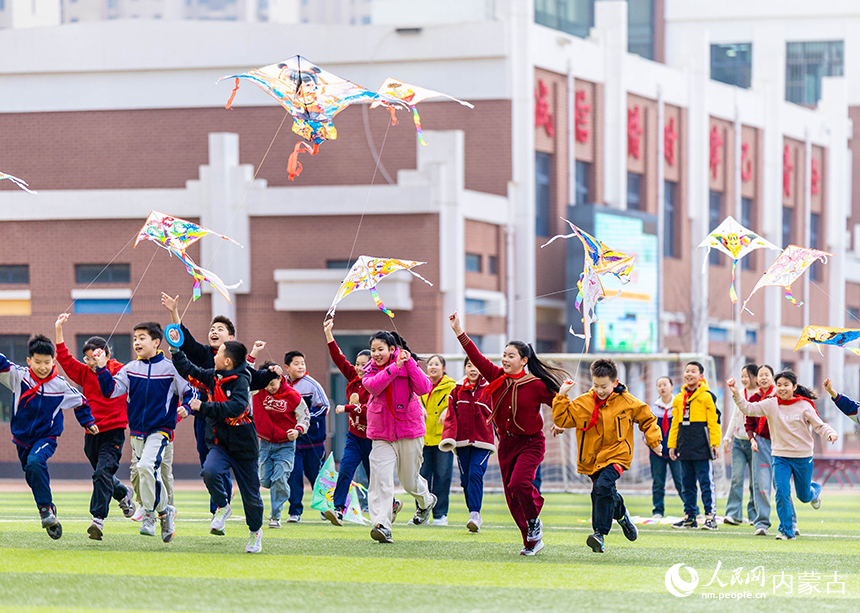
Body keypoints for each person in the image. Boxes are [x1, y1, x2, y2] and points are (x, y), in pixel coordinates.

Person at [448, 311, 566, 556]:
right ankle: (531, 541)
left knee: (519, 483)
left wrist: (560, 421)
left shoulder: (536, 384)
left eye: (511, 356)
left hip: (531, 443)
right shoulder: (495, 376)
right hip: (506, 444)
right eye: (503, 355)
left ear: (524, 360)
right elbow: (475, 355)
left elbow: (560, 404)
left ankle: (534, 520)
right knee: (511, 495)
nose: (505, 359)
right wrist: (459, 330)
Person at [96, 322, 195, 543]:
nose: (137, 342)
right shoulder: (130, 368)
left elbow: (190, 391)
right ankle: (165, 511)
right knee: (146, 472)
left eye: (142, 338)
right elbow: (110, 391)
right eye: (135, 338)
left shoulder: (171, 368)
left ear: (156, 342)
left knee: (145, 467)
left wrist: (187, 407)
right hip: (137, 432)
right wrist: (101, 368)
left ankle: (150, 514)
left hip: (161, 430)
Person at [553, 359, 662, 553]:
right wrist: (562, 396)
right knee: (606, 491)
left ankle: (599, 534)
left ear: (614, 382)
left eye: (604, 386)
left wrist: (655, 442)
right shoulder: (584, 402)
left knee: (601, 487)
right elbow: (562, 419)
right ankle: (622, 517)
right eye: (596, 385)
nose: (599, 390)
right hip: (592, 459)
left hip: (617, 455)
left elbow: (647, 418)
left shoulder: (628, 402)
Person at [172, 340, 267, 553]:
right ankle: (223, 506)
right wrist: (175, 350)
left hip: (244, 448)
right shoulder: (213, 375)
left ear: (227, 361)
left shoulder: (242, 380)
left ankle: (255, 533)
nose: (214, 356)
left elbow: (236, 407)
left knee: (251, 497)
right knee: (209, 471)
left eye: (219, 353)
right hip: (219, 443)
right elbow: (190, 370)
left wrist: (203, 406)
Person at [1, 334, 97, 539]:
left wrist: (88, 422)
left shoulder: (60, 386)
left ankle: (45, 510)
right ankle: (50, 508)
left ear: (53, 361)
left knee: (35, 462)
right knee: (32, 473)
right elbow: (2, 363)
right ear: (29, 361)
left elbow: (81, 401)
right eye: (37, 362)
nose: (43, 367)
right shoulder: (19, 376)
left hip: (46, 438)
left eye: (47, 362)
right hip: (21, 439)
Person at [727, 371, 838, 540]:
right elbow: (748, 408)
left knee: (803, 496)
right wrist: (736, 393)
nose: (782, 388)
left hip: (803, 457)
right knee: (781, 492)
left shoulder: (804, 405)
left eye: (786, 385)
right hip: (780, 457)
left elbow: (819, 425)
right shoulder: (771, 404)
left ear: (794, 387)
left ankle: (813, 491)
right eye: (779, 385)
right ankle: (787, 530)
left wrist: (830, 434)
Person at [55, 314, 136, 540]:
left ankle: (97, 520)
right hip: (91, 433)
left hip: (113, 433)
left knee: (102, 473)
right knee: (103, 474)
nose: (91, 363)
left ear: (107, 355)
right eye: (88, 358)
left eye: (95, 358)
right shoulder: (84, 372)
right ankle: (123, 493)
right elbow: (64, 359)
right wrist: (59, 328)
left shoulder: (119, 370)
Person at [324, 320, 402, 527]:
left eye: (363, 364)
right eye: (357, 364)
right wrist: (328, 333)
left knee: (375, 478)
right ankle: (338, 510)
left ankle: (392, 504)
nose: (359, 368)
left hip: (373, 439)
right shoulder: (353, 376)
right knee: (345, 471)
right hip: (354, 437)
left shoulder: (376, 383)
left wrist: (348, 407)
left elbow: (371, 410)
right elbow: (338, 358)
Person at [362, 330, 435, 544]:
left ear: (392, 349)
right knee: (381, 480)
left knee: (409, 481)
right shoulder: (370, 369)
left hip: (409, 431)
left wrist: (409, 362)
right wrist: (395, 367)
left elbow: (424, 388)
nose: (376, 354)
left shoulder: (408, 362)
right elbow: (373, 386)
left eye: (380, 349)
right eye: (373, 350)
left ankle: (426, 500)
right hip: (381, 433)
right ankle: (382, 525)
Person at [248, 341, 310, 529]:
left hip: (285, 445)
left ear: (280, 378)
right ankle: (275, 499)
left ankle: (275, 516)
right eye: (266, 384)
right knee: (265, 480)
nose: (269, 388)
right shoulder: (258, 390)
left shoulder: (293, 396)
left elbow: (305, 417)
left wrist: (298, 430)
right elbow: (245, 373)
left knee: (280, 479)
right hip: (265, 444)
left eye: (272, 383)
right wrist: (254, 352)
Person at [439, 357, 496, 532]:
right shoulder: (456, 391)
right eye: (469, 365)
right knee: (465, 480)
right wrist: (448, 439)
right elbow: (451, 418)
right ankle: (472, 512)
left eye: (476, 366)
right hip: (462, 443)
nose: (473, 369)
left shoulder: (490, 390)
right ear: (464, 368)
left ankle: (475, 514)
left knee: (475, 474)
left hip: (483, 442)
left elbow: (498, 416)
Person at [668, 361, 721, 531]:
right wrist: (672, 445)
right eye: (687, 371)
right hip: (684, 446)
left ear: (701, 376)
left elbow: (714, 422)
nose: (689, 374)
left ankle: (710, 517)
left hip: (702, 446)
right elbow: (675, 424)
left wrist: (714, 443)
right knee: (687, 484)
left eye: (693, 371)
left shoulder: (707, 396)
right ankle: (689, 517)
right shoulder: (678, 398)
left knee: (705, 483)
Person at [744, 365, 796, 537]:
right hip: (760, 443)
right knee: (761, 485)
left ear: (772, 377)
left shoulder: (780, 395)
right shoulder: (754, 398)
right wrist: (752, 439)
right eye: (760, 375)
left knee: (782, 486)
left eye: (767, 374)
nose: (764, 378)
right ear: (756, 379)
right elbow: (748, 422)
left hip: (780, 443)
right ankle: (761, 523)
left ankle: (791, 522)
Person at [278, 350, 329, 522]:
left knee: (316, 475)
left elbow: (324, 407)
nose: (300, 367)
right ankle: (295, 512)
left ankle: (325, 507)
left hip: (313, 440)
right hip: (292, 441)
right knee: (294, 475)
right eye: (296, 364)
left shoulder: (311, 385)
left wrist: (305, 419)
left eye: (302, 363)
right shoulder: (282, 385)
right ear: (286, 367)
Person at [418, 355, 457, 526]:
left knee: (442, 476)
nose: (433, 367)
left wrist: (448, 409)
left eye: (436, 364)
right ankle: (421, 513)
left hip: (443, 440)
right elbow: (412, 400)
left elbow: (457, 405)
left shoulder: (452, 387)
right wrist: (419, 407)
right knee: (422, 477)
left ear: (444, 368)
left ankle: (440, 515)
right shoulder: (420, 385)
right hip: (422, 438)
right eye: (430, 364)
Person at [722, 364, 758, 526]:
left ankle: (754, 515)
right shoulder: (739, 393)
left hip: (756, 443)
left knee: (755, 481)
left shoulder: (760, 395)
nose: (743, 379)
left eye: (747, 376)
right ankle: (733, 514)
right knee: (736, 478)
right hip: (738, 442)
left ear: (755, 378)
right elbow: (734, 417)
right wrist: (727, 437)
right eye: (742, 376)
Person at [648, 376, 685, 519]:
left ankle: (691, 510)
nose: (662, 388)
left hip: (675, 452)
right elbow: (647, 430)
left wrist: (677, 447)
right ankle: (658, 511)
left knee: (681, 482)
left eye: (665, 384)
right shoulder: (653, 409)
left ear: (672, 387)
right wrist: (653, 445)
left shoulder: (678, 406)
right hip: (656, 453)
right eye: (659, 385)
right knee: (658, 483)